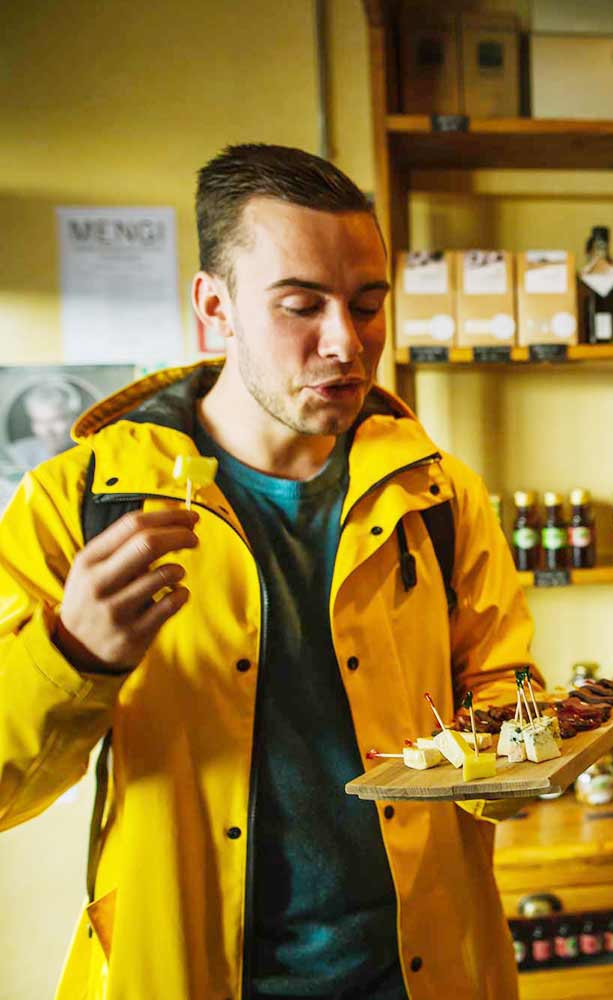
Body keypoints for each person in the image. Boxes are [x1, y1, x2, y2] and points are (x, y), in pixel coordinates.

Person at [0, 144, 535, 1000]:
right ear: (214, 306)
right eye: (301, 306)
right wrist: (73, 654)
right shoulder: (79, 503)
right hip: (184, 972)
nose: (346, 343)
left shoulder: (438, 494)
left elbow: (503, 695)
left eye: (368, 306)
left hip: (425, 974)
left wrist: (527, 750)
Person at [6, 379, 87, 469]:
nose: (48, 431)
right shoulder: (16, 455)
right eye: (39, 421)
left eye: (55, 420)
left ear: (75, 419)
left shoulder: (92, 453)